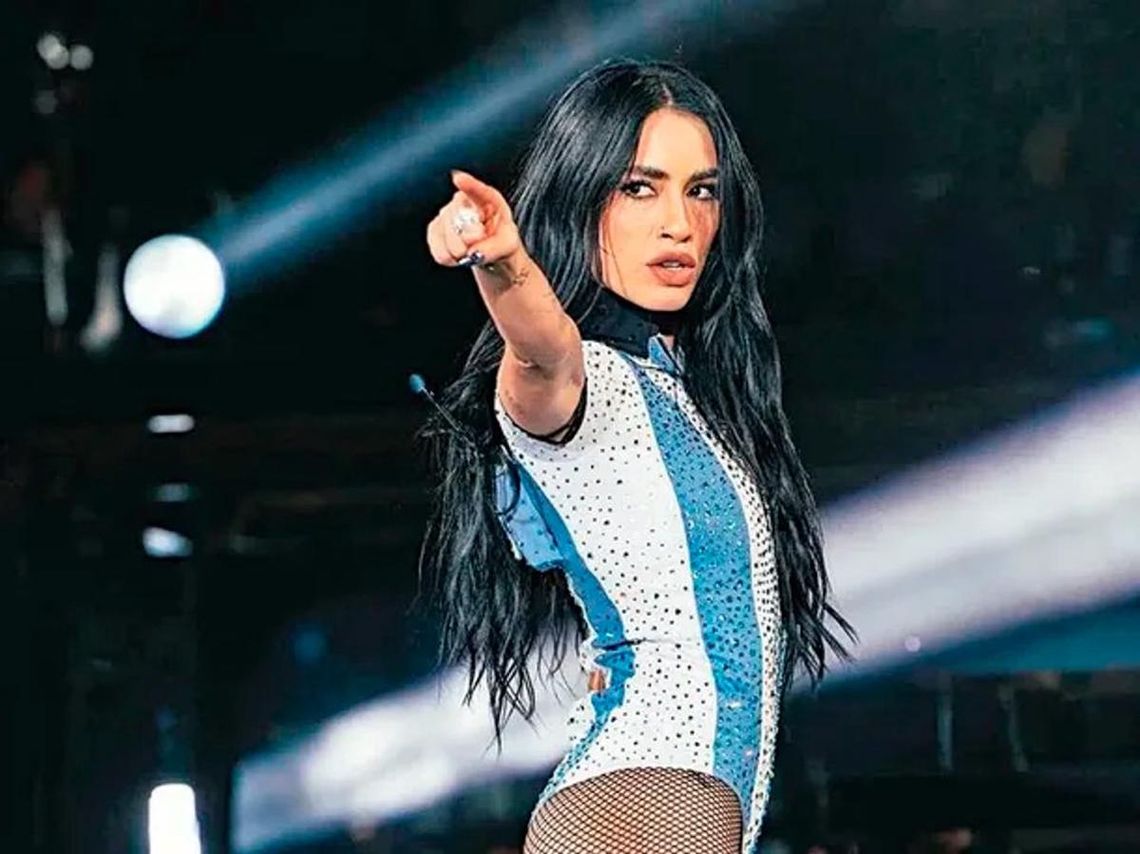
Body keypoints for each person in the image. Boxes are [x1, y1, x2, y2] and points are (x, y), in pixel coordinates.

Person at [421, 59, 854, 854]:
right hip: (645, 797)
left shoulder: (691, 394)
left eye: (702, 191)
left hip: (678, 803)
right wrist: (503, 260)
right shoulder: (584, 385)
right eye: (639, 189)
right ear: (582, 199)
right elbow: (541, 350)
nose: (679, 224)